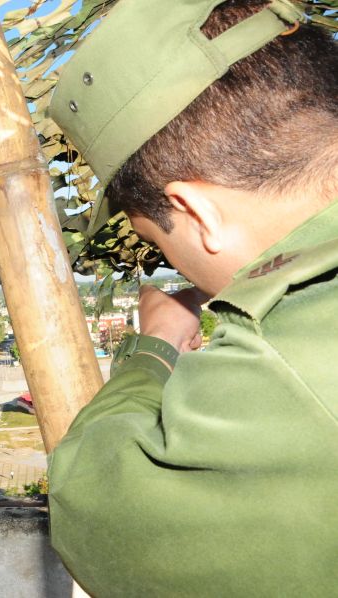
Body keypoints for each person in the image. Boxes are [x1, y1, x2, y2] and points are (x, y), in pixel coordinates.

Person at [46, 0, 337, 595]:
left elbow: (99, 513)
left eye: (160, 243)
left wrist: (153, 349)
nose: (173, 266)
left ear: (196, 211)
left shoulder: (283, 356)